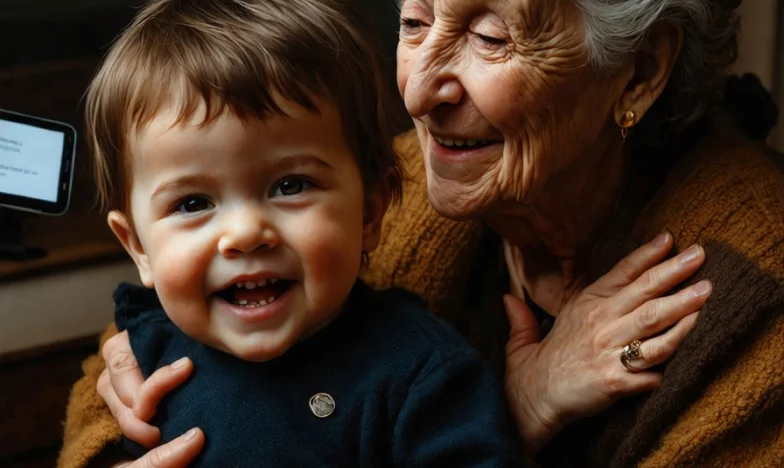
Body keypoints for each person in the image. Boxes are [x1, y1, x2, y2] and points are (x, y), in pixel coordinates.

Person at [58, 0, 784, 466]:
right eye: (413, 23)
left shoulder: (755, 281)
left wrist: (496, 420)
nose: (414, 92)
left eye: (489, 37)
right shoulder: (402, 172)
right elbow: (118, 377)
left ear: (640, 71)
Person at [63, 0, 527, 466]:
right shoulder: (144, 348)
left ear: (370, 213)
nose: (245, 234)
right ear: (139, 248)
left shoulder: (424, 377)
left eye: (290, 186)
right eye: (192, 204)